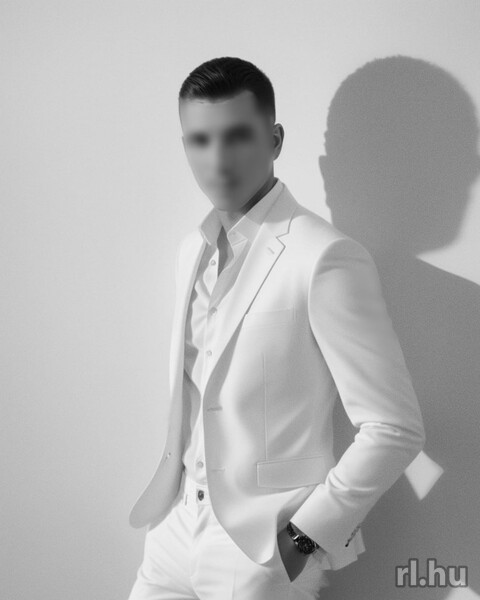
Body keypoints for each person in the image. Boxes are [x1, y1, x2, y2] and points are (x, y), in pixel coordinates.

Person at [127, 56, 426, 600]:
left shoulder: (326, 257)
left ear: (275, 139)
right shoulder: (190, 251)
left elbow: (394, 427)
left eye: (237, 136)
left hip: (260, 549)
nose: (218, 160)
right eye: (199, 141)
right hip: (172, 529)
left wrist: (303, 539)